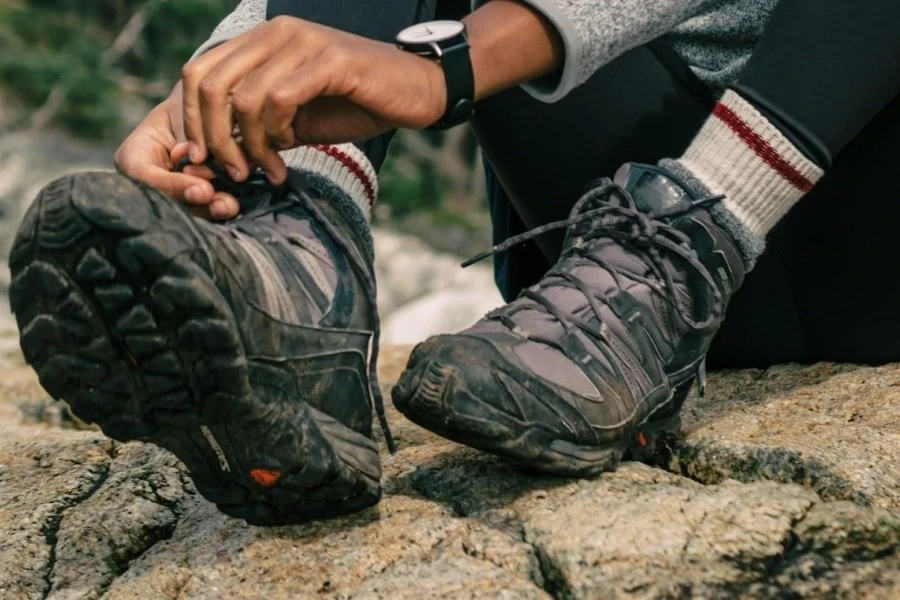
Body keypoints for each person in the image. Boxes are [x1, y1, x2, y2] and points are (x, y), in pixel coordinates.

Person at [9, 0, 900, 526]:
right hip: (612, 247)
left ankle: (686, 238)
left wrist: (451, 63)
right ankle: (301, 286)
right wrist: (224, 89)